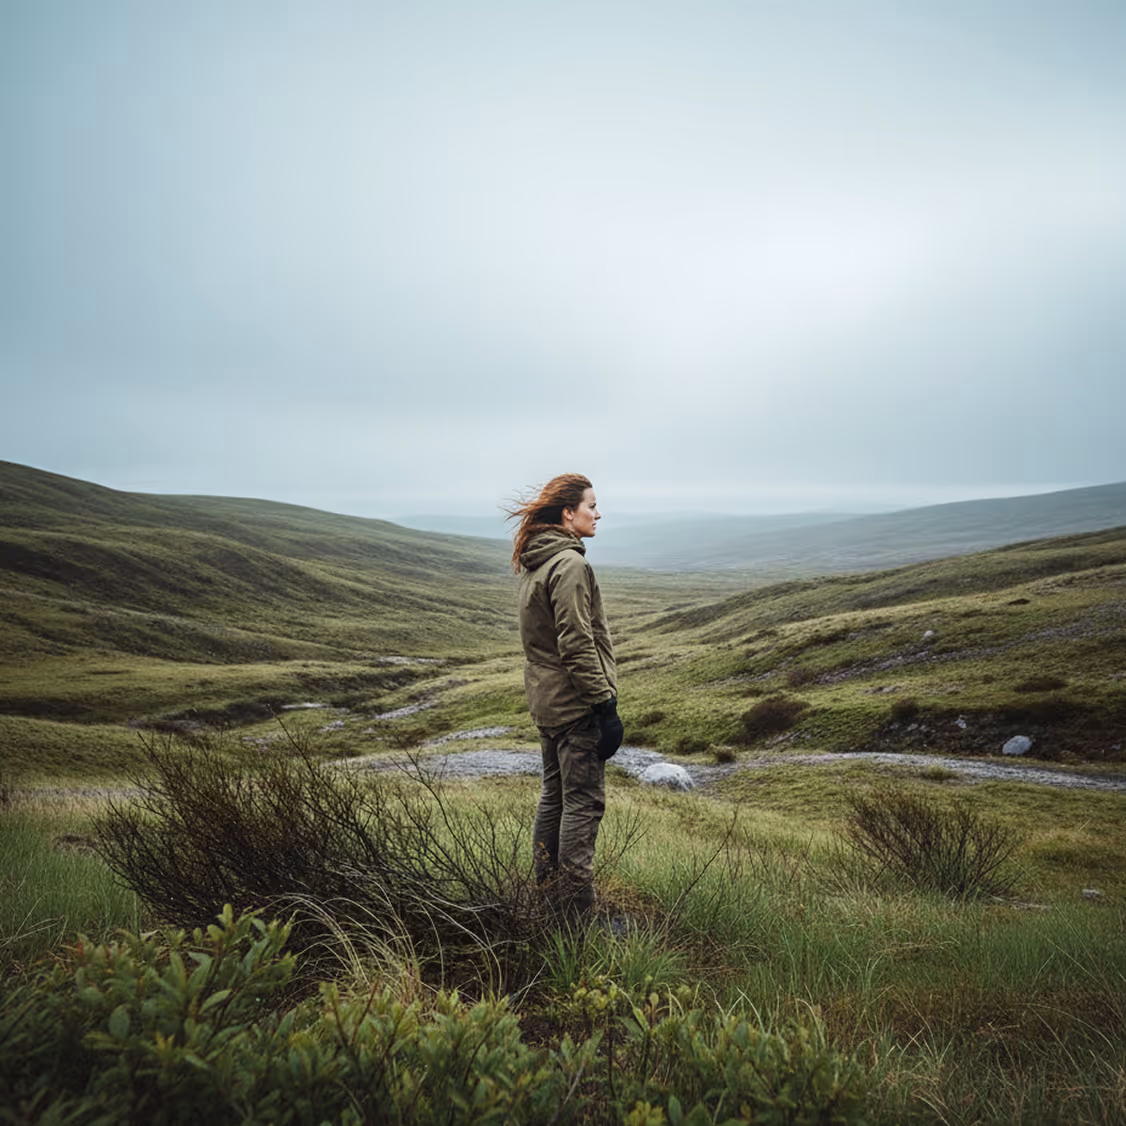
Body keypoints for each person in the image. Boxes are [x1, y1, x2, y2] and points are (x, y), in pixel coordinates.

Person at [508, 473, 624, 921]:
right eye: (591, 506)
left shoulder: (537, 562)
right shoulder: (570, 565)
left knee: (554, 796)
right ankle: (574, 919)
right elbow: (576, 643)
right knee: (582, 803)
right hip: (575, 706)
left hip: (546, 702)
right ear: (567, 513)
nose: (598, 514)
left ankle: (545, 896)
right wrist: (604, 706)